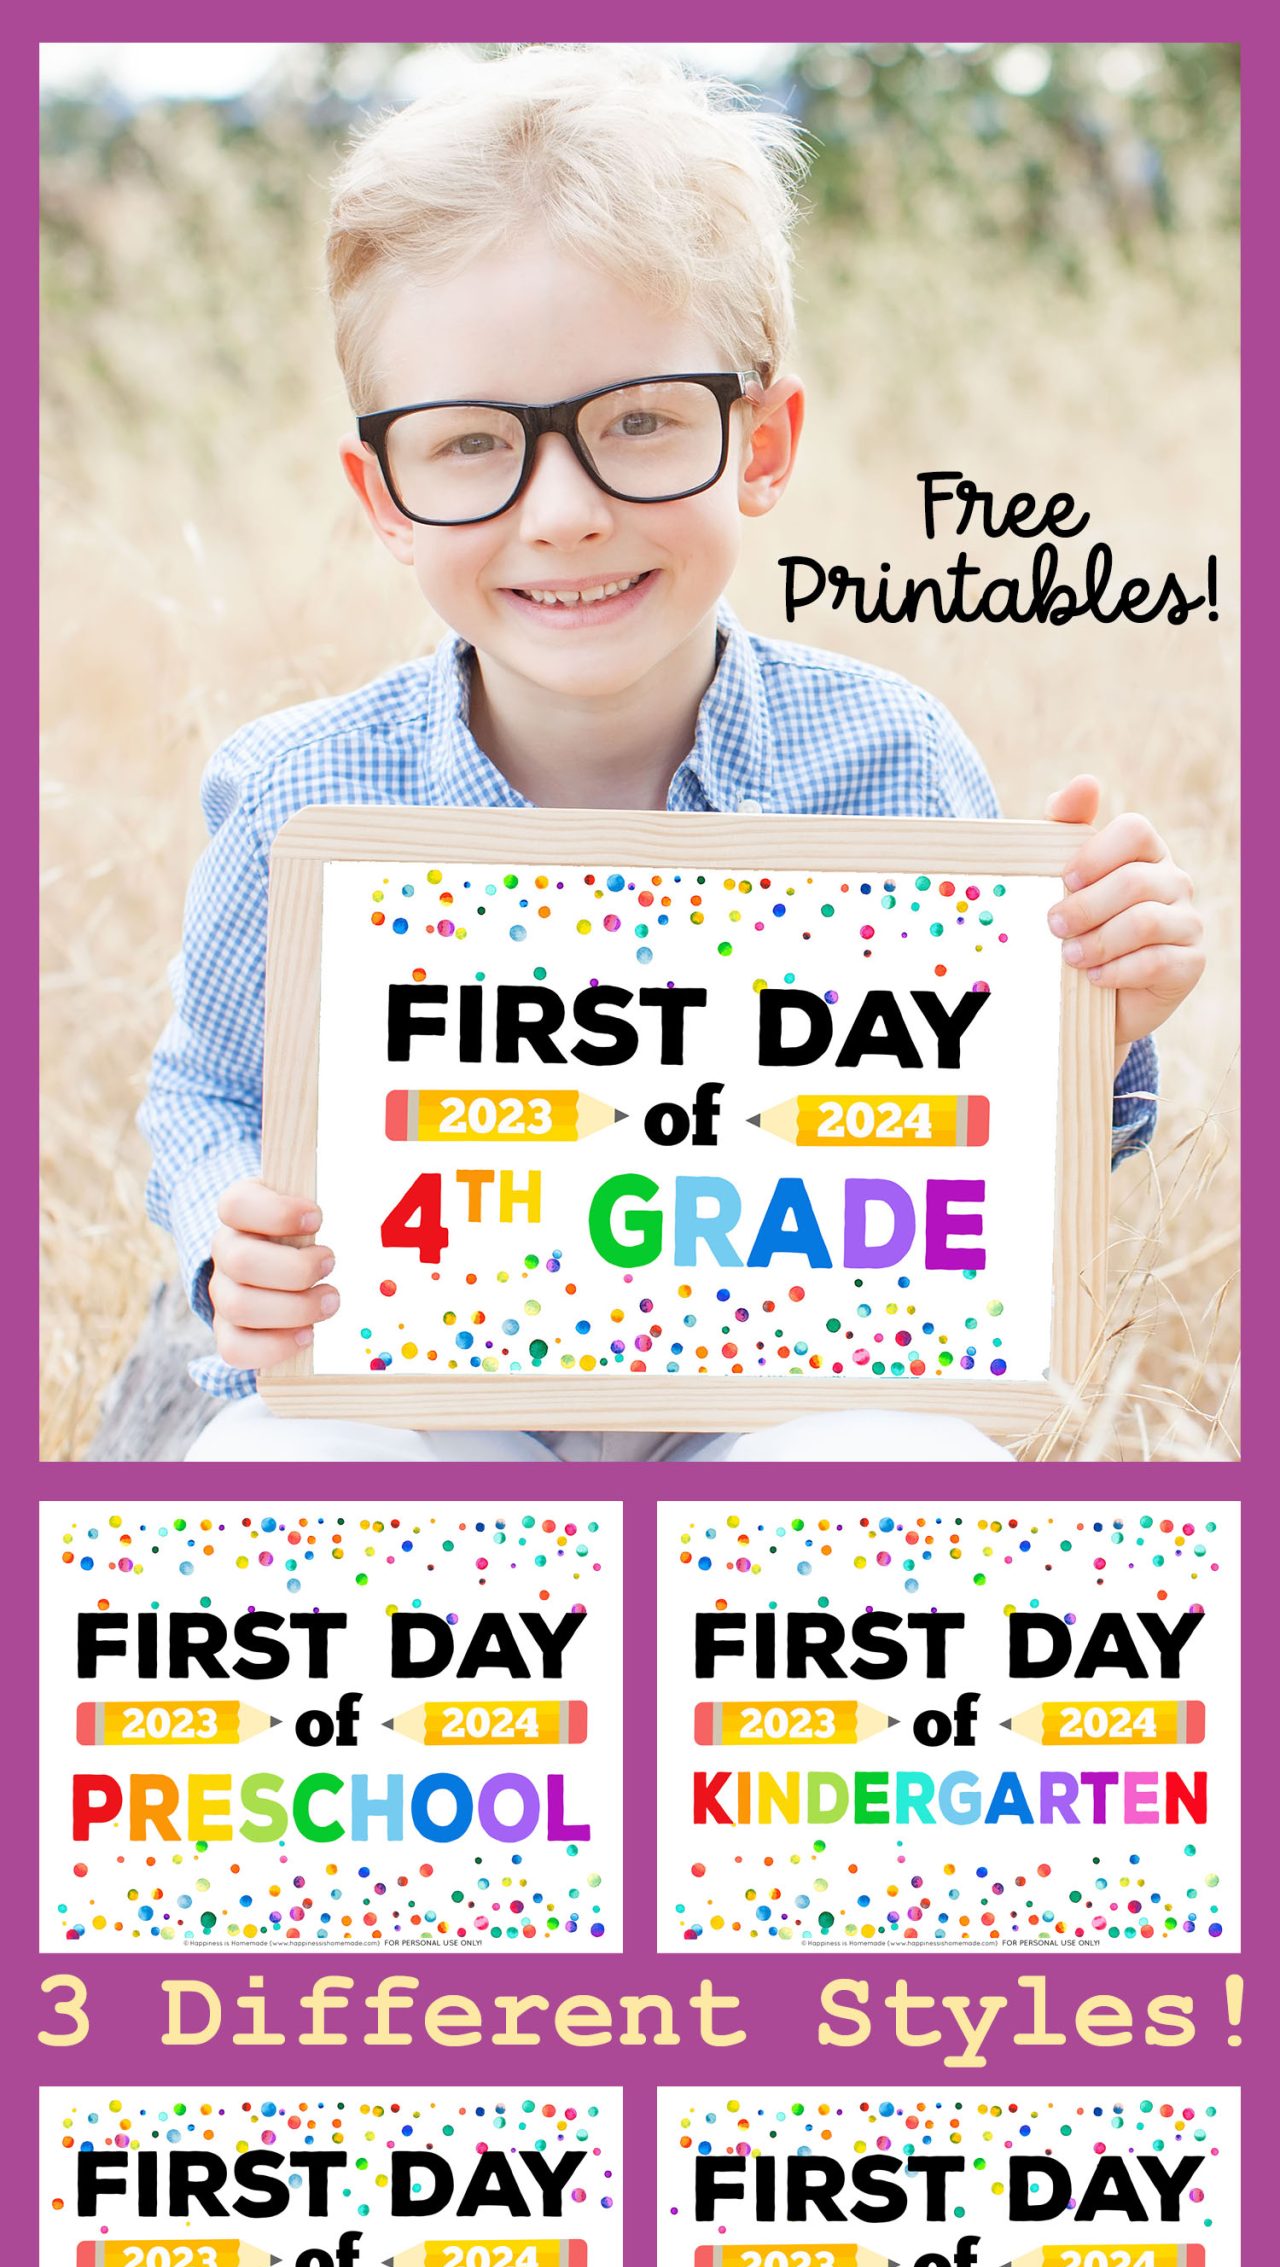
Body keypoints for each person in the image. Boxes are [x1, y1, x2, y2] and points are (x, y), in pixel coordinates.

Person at [141, 44, 1203, 1464]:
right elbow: (209, 1089)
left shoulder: (884, 764)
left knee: (910, 1467)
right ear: (381, 495)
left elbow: (983, 1147)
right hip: (429, 1396)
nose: (565, 510)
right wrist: (231, 1239)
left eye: (640, 422)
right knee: (281, 1469)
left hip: (774, 1397)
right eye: (467, 445)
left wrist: (1093, 1016)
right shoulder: (300, 798)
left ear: (763, 444)